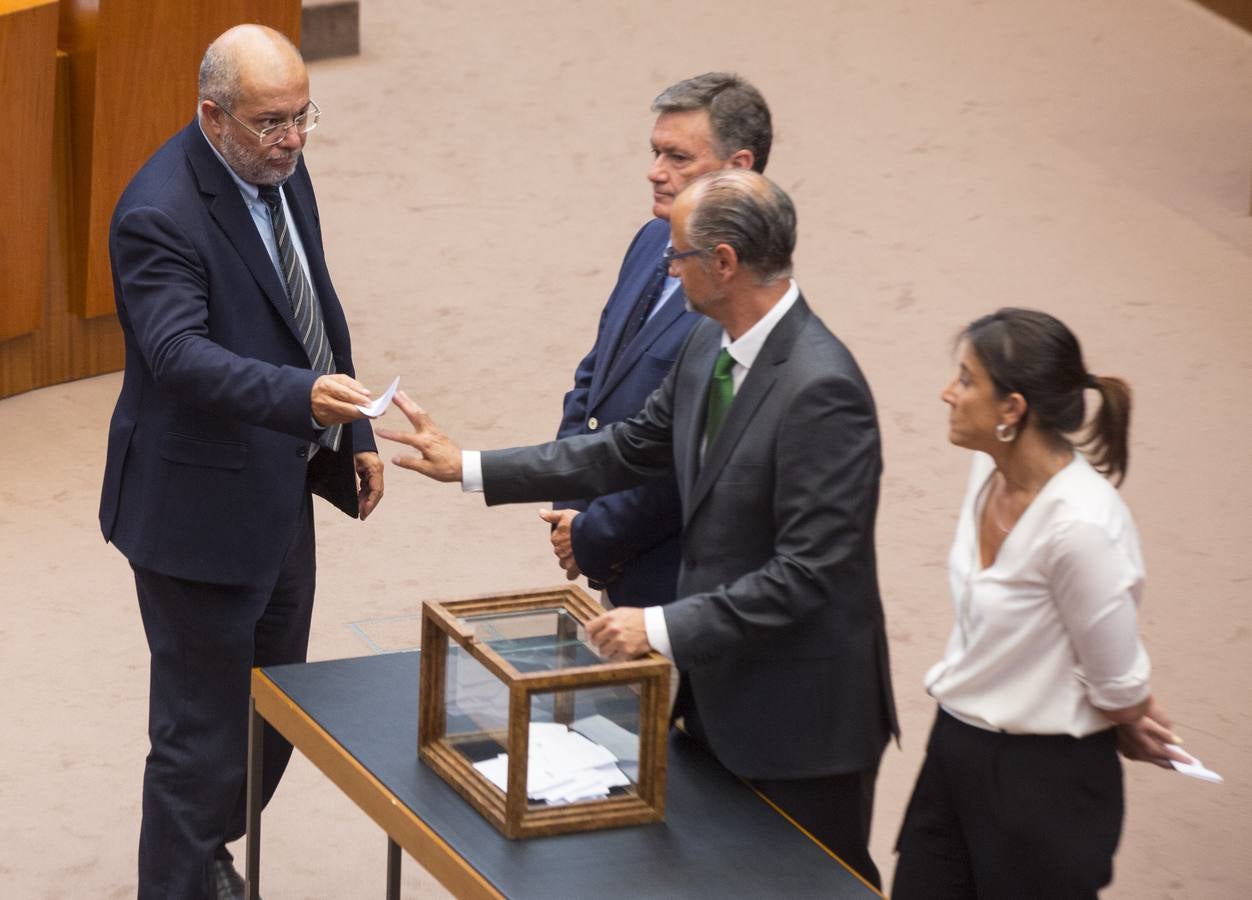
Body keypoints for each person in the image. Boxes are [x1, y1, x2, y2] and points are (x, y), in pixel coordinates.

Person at [380, 169, 899, 887]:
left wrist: (656, 629)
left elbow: (808, 576)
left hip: (802, 725)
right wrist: (470, 465)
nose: (666, 266)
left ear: (723, 264)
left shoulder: (823, 391)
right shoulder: (709, 344)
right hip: (720, 698)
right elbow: (624, 450)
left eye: (678, 254)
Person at [98, 25, 383, 899]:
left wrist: (354, 434)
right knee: (198, 739)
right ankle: (183, 880)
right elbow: (179, 356)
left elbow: (314, 307)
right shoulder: (157, 212)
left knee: (277, 715)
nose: (293, 139)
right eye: (271, 122)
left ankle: (205, 852)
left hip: (276, 497)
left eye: (304, 116)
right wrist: (301, 400)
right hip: (193, 519)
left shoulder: (277, 172)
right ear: (212, 114)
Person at [892, 308, 1185, 898]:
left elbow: (1117, 677)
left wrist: (1131, 717)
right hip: (955, 751)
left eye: (967, 379)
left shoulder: (1081, 525)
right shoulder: (986, 470)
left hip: (1044, 784)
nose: (948, 394)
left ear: (1013, 409)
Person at [542, 72, 771, 610]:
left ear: (738, 168)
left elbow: (685, 466)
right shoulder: (652, 240)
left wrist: (596, 533)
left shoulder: (743, 298)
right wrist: (571, 508)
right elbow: (593, 379)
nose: (655, 172)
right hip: (609, 551)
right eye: (654, 152)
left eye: (678, 158)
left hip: (680, 583)